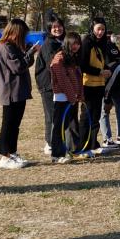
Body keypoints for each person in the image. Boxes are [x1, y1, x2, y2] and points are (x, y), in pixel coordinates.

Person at [0, 18, 35, 170]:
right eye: (23, 34)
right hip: (11, 92)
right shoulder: (6, 47)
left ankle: (12, 152)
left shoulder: (14, 47)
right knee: (8, 124)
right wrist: (29, 53)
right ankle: (4, 157)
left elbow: (25, 64)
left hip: (19, 91)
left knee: (15, 125)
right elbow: (17, 67)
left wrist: (29, 53)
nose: (24, 37)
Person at [79, 17, 120, 154]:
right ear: (92, 29)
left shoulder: (103, 43)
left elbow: (102, 62)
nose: (100, 32)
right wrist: (99, 72)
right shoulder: (86, 43)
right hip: (87, 84)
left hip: (99, 84)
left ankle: (93, 144)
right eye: (98, 29)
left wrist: (107, 69)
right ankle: (83, 146)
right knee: (87, 116)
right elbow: (83, 65)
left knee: (96, 116)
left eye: (103, 29)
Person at [48, 32, 84, 162]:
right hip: (62, 97)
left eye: (78, 44)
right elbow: (63, 80)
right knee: (59, 126)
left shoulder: (73, 57)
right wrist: (72, 96)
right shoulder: (60, 57)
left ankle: (66, 151)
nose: (76, 46)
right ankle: (57, 155)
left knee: (68, 125)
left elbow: (77, 78)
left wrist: (79, 94)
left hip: (71, 97)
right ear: (67, 43)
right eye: (73, 43)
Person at [34, 15, 65, 156]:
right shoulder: (49, 44)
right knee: (51, 115)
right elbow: (51, 64)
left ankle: (57, 140)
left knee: (58, 115)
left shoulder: (62, 41)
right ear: (49, 29)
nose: (57, 29)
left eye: (59, 26)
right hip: (48, 84)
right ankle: (49, 143)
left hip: (58, 84)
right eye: (54, 27)